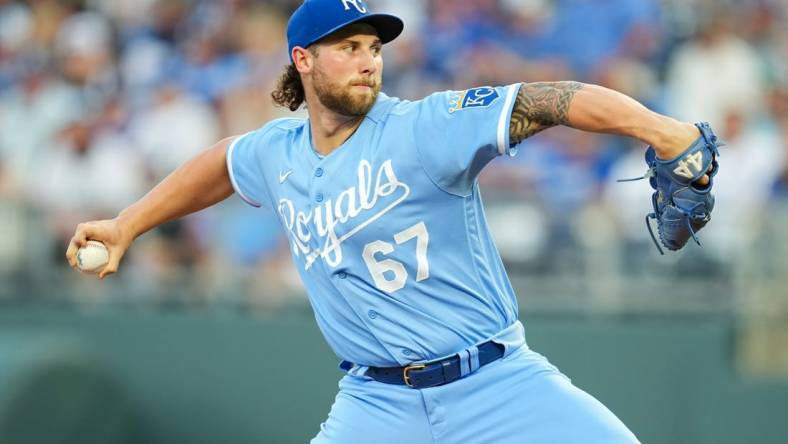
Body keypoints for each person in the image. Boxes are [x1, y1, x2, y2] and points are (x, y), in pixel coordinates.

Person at [66, 1, 711, 442]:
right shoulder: (277, 152)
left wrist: (661, 129)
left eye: (373, 47)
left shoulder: (423, 128)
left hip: (495, 382)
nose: (369, 59)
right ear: (303, 60)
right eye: (347, 47)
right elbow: (219, 166)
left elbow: (552, 100)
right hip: (376, 405)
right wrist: (129, 224)